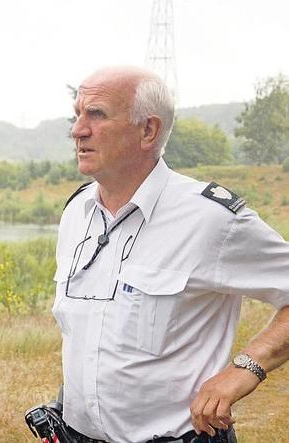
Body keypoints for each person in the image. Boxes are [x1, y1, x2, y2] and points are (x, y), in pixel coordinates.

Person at [52, 66, 288, 442]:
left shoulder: (209, 219)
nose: (78, 130)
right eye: (77, 114)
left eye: (96, 115)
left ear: (148, 130)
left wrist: (244, 370)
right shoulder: (76, 214)